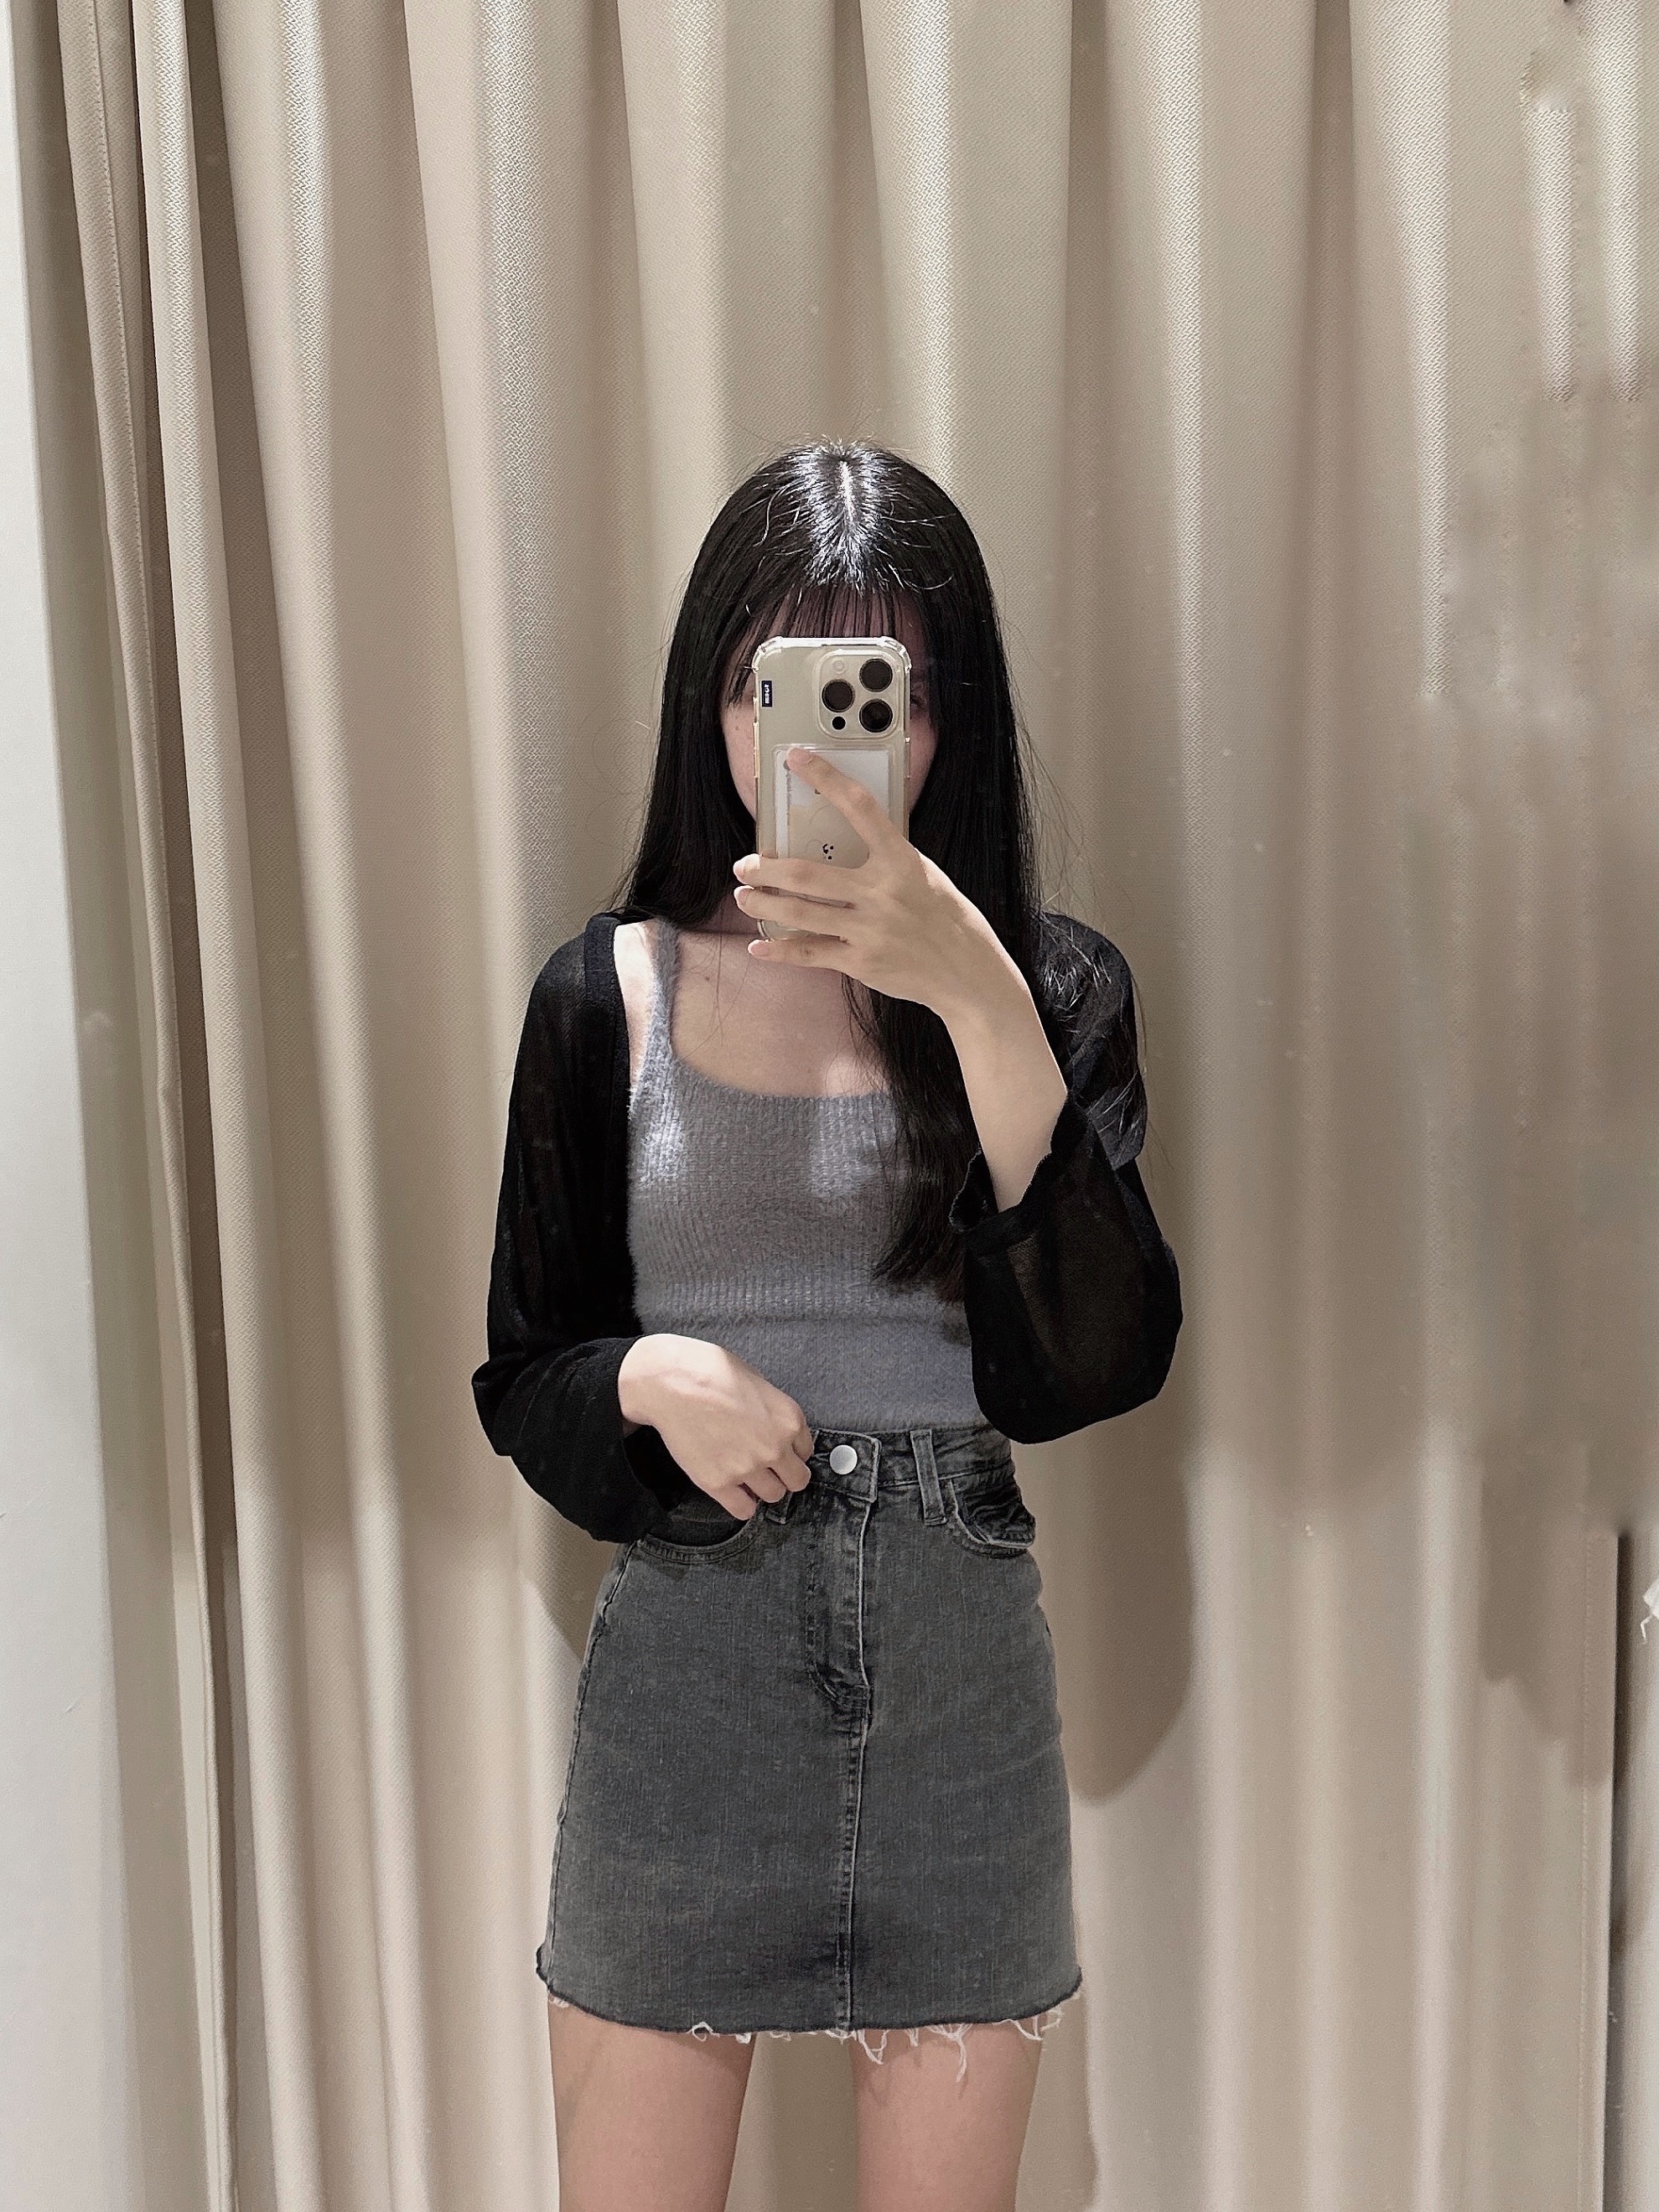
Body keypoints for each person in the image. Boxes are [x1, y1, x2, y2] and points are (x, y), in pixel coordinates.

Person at [471, 438, 1181, 2212]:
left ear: (952, 724)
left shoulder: (1052, 989)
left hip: (960, 1690)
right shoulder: (606, 994)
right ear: (708, 706)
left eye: (890, 697)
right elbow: (524, 1368)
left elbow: (1093, 1365)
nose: (823, 745)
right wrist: (644, 1375)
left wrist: (975, 997)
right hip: (687, 1682)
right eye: (771, 686)